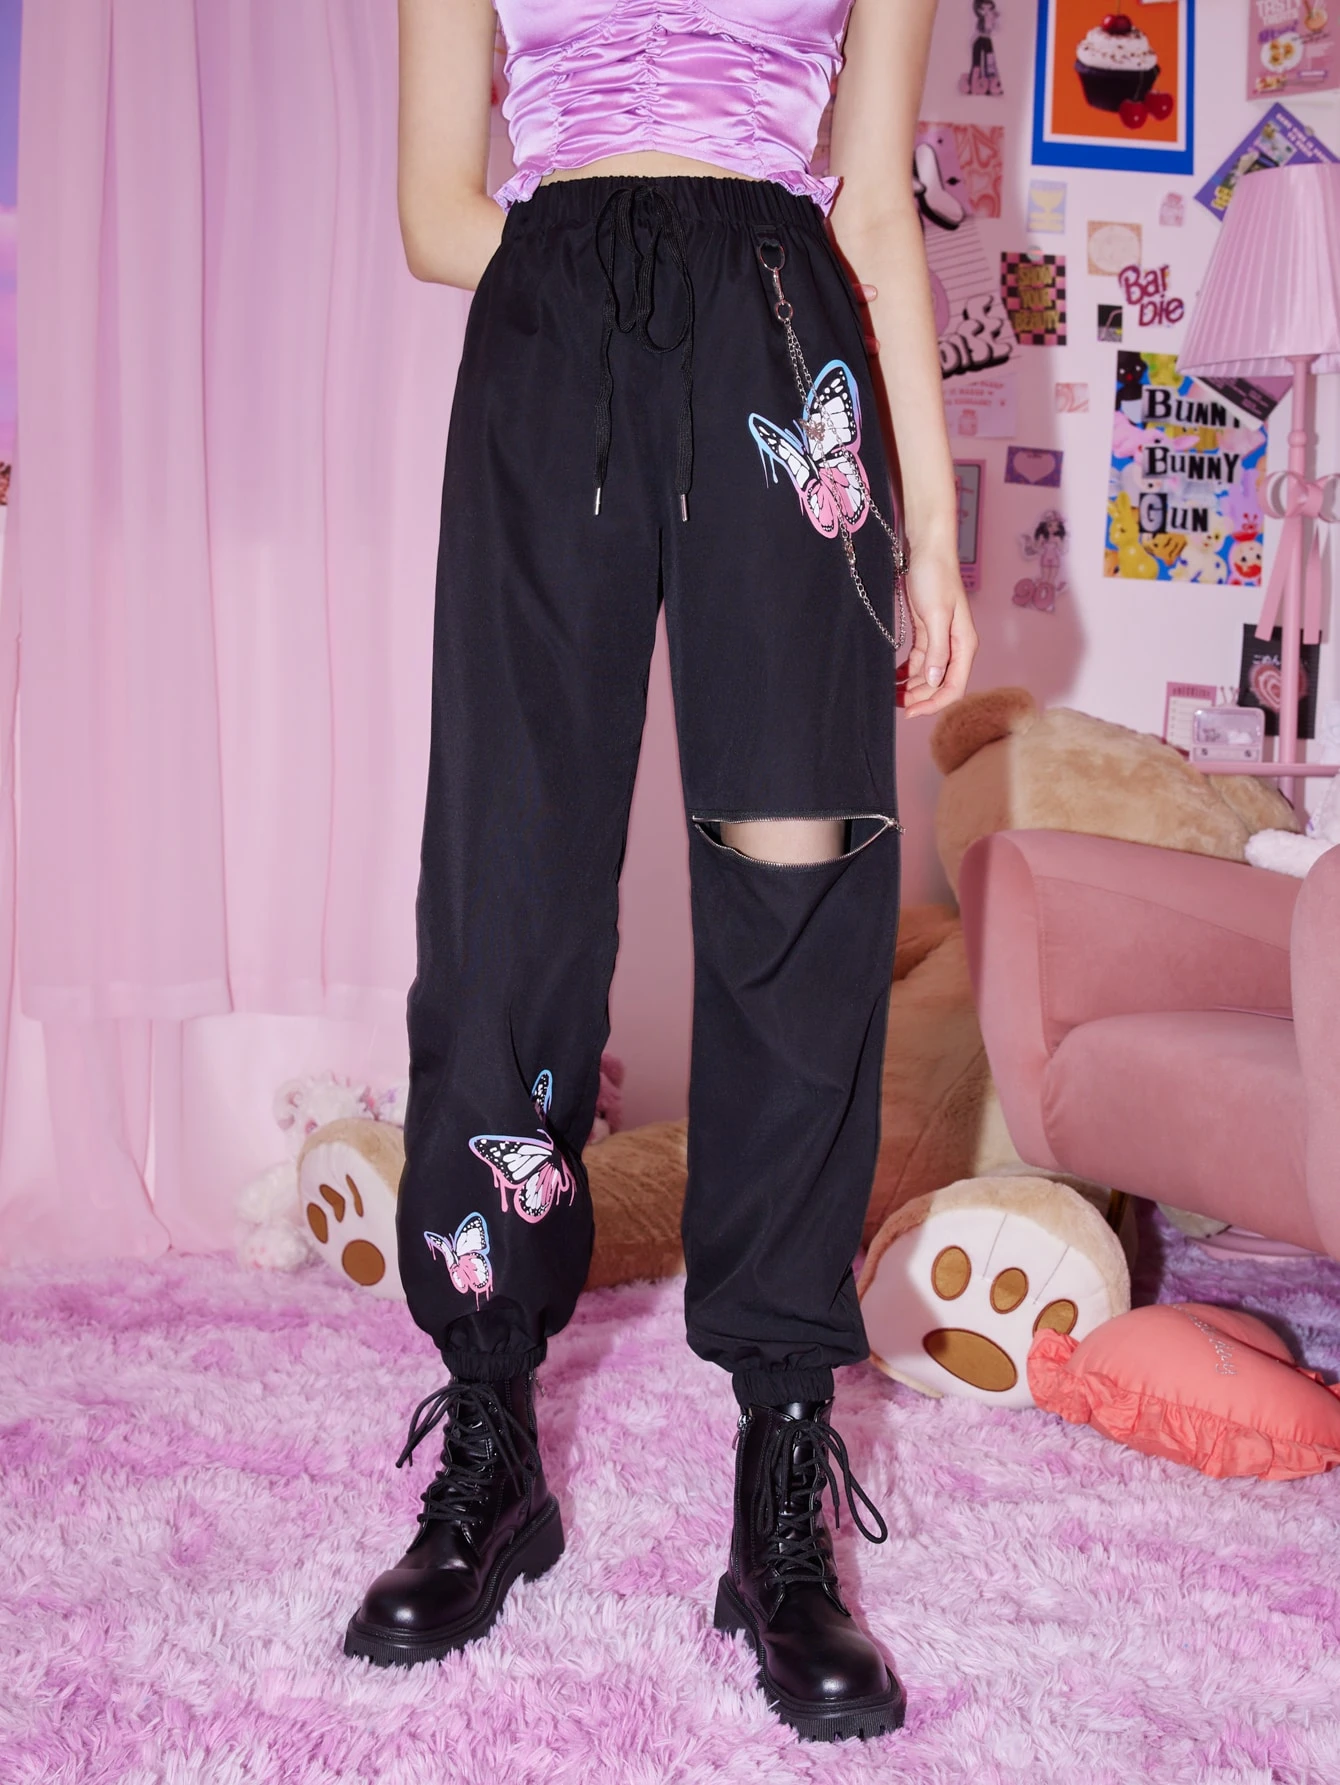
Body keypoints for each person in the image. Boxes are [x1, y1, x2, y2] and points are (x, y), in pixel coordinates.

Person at [344, 0, 976, 1744]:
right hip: (550, 343)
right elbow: (434, 212)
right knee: (508, 882)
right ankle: (493, 1441)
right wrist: (601, 294)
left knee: (798, 884)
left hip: (786, 344)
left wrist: (930, 530)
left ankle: (782, 1473)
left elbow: (873, 209)